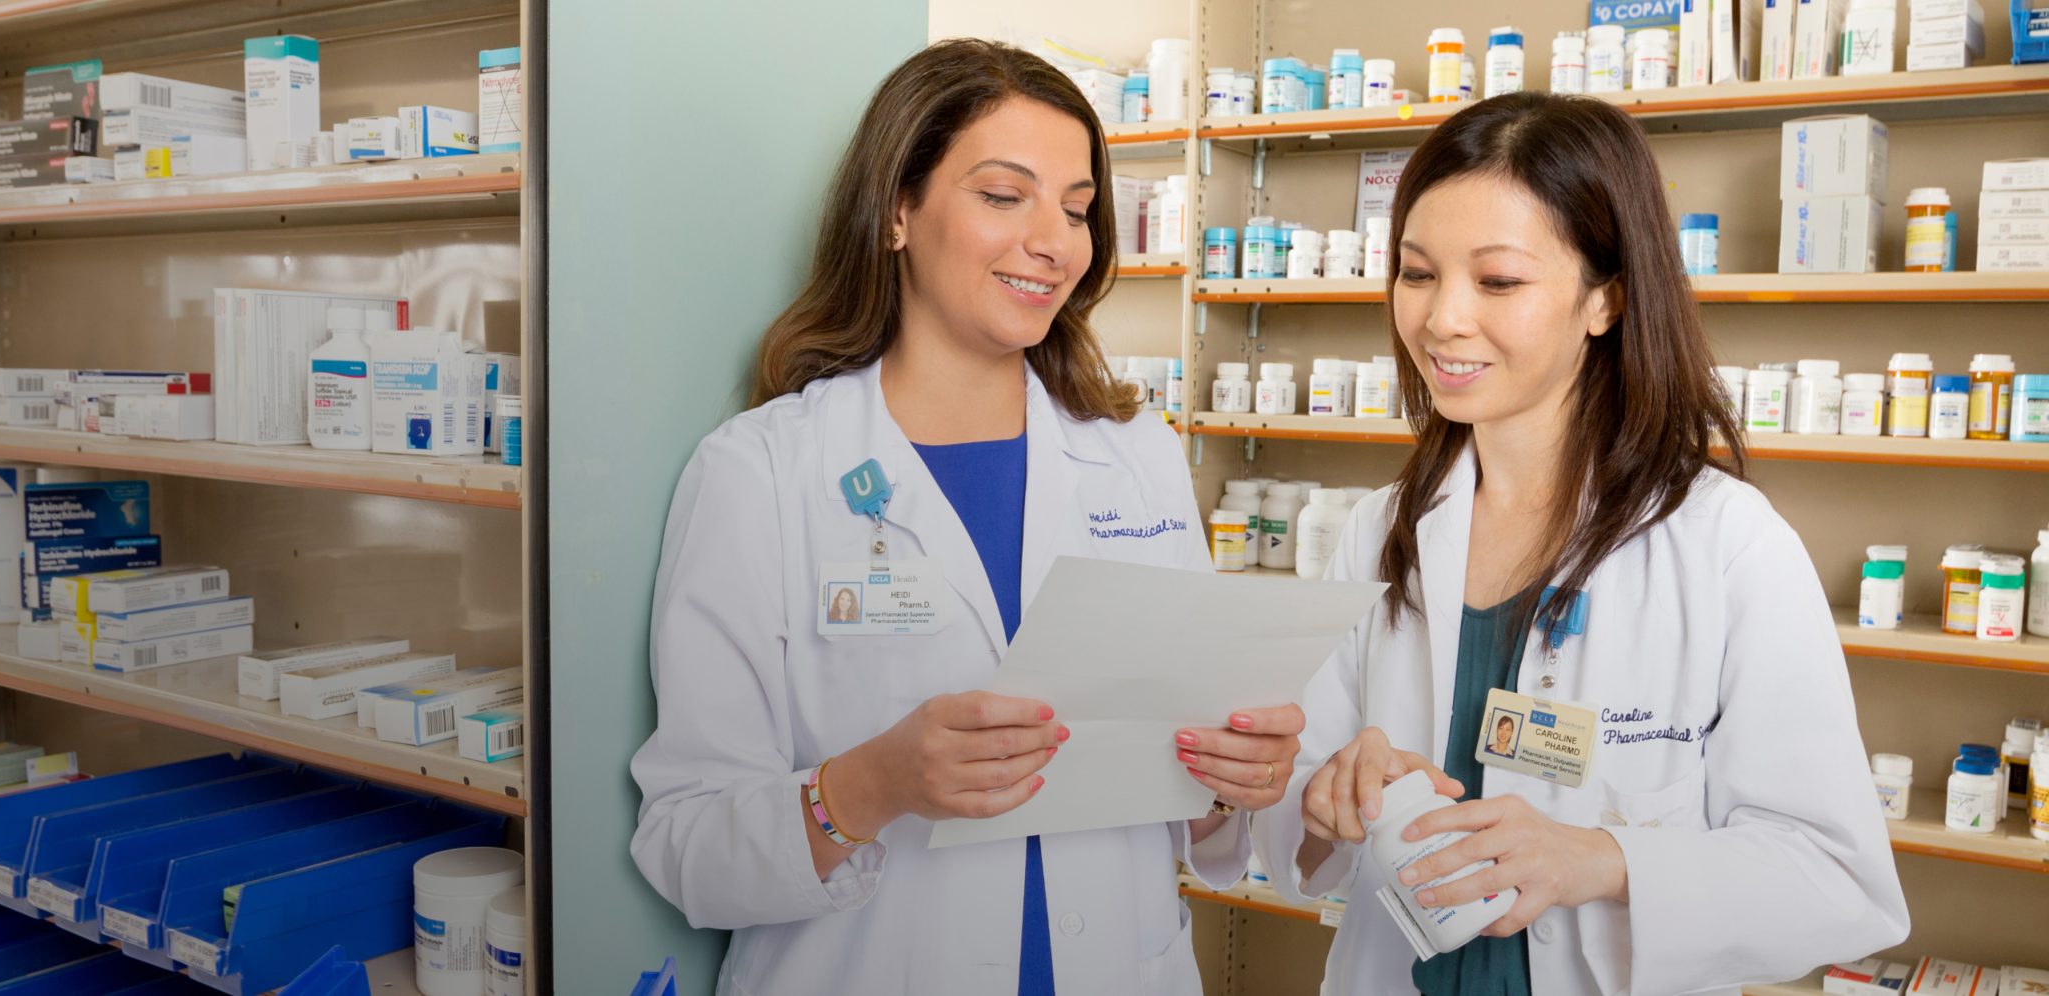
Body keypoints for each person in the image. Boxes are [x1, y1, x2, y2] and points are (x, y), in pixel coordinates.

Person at [631, 39, 1304, 995]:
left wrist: (1226, 780)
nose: (1055, 241)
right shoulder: (764, 471)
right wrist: (871, 786)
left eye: (1076, 209)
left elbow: (1178, 799)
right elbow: (687, 843)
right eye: (1003, 196)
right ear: (898, 210)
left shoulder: (1135, 455)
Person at [1249, 91, 1908, 994]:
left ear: (1607, 298)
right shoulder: (1378, 532)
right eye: (1416, 272)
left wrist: (1595, 859)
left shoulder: (1724, 545)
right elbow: (1298, 819)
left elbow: (1838, 883)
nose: (1442, 319)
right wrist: (1327, 797)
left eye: (1499, 281)